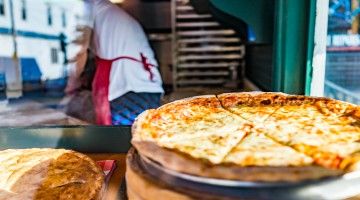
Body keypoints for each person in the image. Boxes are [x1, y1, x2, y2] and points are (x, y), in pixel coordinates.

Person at [65, 0, 164, 125]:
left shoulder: (87, 5)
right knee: (142, 136)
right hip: (148, 88)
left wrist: (71, 84)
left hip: (126, 88)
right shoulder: (109, 11)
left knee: (124, 140)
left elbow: (78, 50)